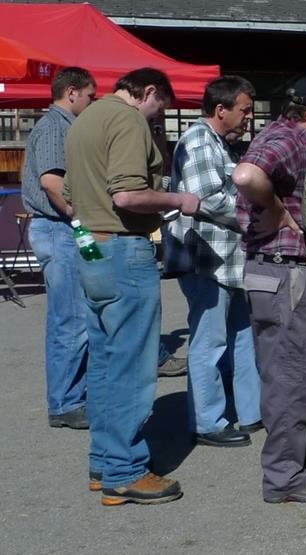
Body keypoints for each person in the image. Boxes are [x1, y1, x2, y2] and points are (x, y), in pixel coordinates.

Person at [65, 67, 197, 505]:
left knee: (103, 364)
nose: (158, 118)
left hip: (90, 247)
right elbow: (126, 194)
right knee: (133, 367)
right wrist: (179, 199)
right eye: (160, 109)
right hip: (123, 248)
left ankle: (104, 464)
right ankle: (125, 470)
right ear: (149, 92)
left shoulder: (84, 119)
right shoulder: (125, 120)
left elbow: (67, 190)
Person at [232, 75, 306, 504]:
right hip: (285, 274)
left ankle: (299, 456)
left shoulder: (277, 133)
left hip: (271, 273)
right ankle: (284, 476)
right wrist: (278, 211)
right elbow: (245, 175)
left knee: (285, 374)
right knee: (290, 379)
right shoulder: (292, 138)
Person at [163, 76, 261, 448]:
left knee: (241, 338)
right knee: (210, 342)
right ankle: (207, 422)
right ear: (221, 110)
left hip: (229, 261)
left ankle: (251, 412)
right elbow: (208, 197)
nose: (249, 118)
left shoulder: (220, 142)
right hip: (208, 260)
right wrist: (258, 212)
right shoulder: (199, 139)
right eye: (245, 110)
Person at [22, 67, 96, 430]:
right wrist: (79, 215)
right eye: (89, 96)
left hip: (63, 230)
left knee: (74, 317)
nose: (91, 102)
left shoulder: (60, 125)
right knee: (71, 319)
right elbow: (52, 181)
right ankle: (66, 402)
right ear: (71, 93)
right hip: (60, 229)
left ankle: (70, 397)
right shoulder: (55, 126)